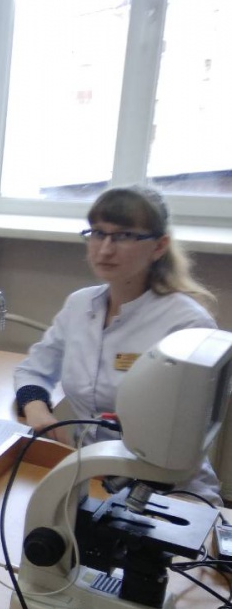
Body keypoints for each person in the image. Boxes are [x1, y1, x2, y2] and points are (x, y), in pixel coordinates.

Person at [14, 185, 220, 503]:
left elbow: (186, 433)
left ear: (159, 246)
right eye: (98, 233)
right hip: (88, 473)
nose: (105, 249)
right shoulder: (80, 305)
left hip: (163, 490)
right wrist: (37, 410)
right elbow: (33, 370)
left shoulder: (187, 325)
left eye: (123, 236)